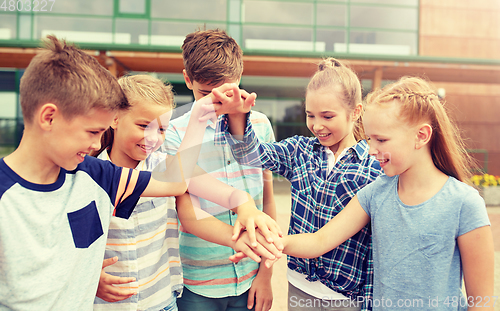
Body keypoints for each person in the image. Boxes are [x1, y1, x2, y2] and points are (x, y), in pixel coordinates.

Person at [0, 36, 278, 311]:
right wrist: (87, 277)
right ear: (49, 117)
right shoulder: (22, 190)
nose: (98, 144)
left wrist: (242, 202)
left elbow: (178, 179)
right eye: (93, 132)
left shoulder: (95, 172)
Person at [275, 77, 494, 310]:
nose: (371, 150)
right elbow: (320, 241)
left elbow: (481, 302)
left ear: (421, 135)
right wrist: (273, 242)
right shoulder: (374, 194)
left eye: (381, 139)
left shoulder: (465, 203)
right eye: (369, 139)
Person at [92, 75, 281, 311]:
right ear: (115, 118)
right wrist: (90, 277)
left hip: (162, 302)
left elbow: (205, 201)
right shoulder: (91, 174)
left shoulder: (165, 165)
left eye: (161, 129)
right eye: (143, 125)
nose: (152, 137)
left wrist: (245, 208)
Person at [216, 58, 383, 311]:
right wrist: (237, 114)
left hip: (346, 297)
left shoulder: (374, 167)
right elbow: (250, 154)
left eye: (328, 116)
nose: (317, 125)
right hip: (298, 286)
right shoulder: (300, 150)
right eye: (310, 115)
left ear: (356, 111)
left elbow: (376, 247)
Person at [163, 29, 278, 311]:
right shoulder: (173, 131)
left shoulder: (260, 126)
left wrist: (266, 274)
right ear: (188, 79)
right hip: (197, 284)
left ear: (238, 78)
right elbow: (188, 209)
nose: (217, 104)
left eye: (226, 93)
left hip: (251, 278)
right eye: (205, 95)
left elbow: (268, 201)